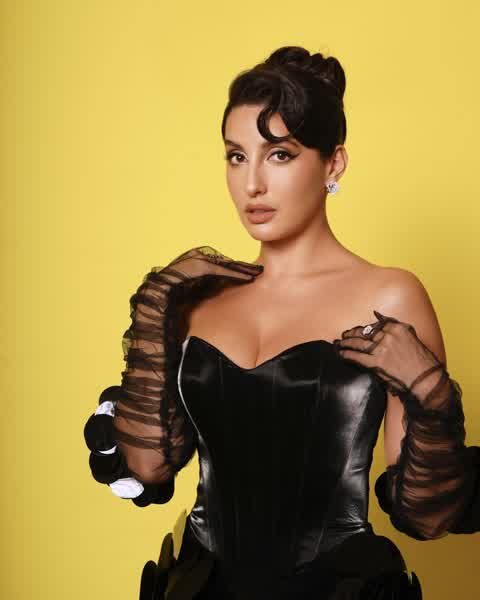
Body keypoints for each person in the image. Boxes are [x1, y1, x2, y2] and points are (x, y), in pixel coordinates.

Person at [83, 46, 480, 599]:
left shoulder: (389, 296)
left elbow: (427, 516)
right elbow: (148, 468)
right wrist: (155, 311)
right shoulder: (197, 302)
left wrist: (430, 395)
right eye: (236, 156)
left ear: (333, 164)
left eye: (279, 155)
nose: (252, 184)